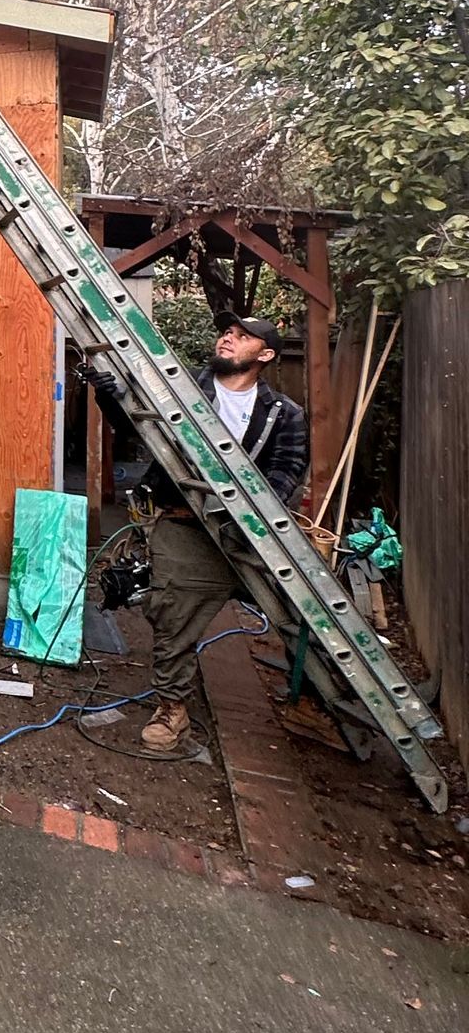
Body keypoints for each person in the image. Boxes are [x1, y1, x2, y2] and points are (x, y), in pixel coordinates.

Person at [87, 317, 308, 754]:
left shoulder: (284, 413)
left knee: (303, 616)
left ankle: (317, 699)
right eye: (227, 331)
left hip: (248, 536)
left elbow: (288, 469)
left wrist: (252, 515)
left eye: (244, 336)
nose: (228, 337)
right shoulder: (182, 390)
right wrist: (109, 397)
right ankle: (173, 709)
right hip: (185, 523)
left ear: (264, 356)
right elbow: (137, 431)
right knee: (171, 613)